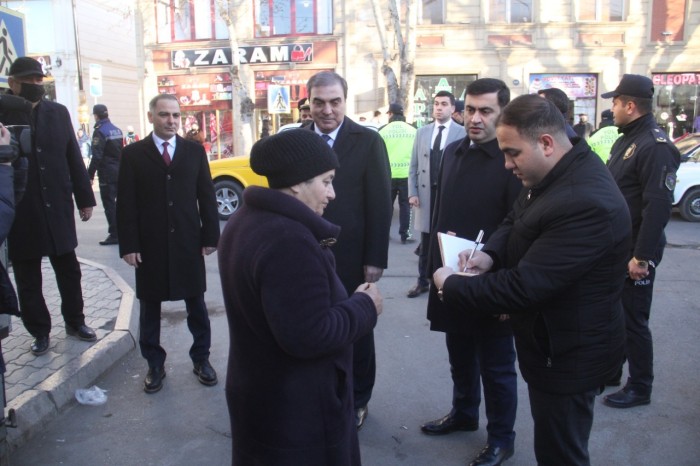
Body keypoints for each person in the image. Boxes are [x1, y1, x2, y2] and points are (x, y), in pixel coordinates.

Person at [433, 94, 632, 465]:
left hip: (569, 355)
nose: (506, 164)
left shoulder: (583, 200)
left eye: (512, 153)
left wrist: (451, 282)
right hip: (553, 344)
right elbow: (516, 218)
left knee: (561, 453)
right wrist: (488, 255)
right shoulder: (557, 171)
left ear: (546, 143)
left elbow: (524, 286)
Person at [218, 129, 383, 465]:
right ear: (296, 182)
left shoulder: (246, 220)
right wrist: (365, 307)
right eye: (326, 181)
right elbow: (309, 335)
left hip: (263, 398)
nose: (332, 193)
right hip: (296, 413)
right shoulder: (288, 240)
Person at [421, 79, 521, 466]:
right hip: (450, 273)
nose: (475, 119)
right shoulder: (452, 151)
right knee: (459, 352)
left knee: (496, 365)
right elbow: (441, 211)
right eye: (471, 110)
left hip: (493, 279)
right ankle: (464, 413)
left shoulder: (511, 159)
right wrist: (432, 268)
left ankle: (501, 438)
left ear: (502, 114)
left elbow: (518, 225)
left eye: (486, 111)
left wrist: (507, 291)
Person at [116, 94, 220, 394]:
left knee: (196, 304)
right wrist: (129, 245)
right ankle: (154, 364)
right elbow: (126, 203)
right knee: (150, 306)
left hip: (188, 242)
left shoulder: (193, 152)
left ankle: (201, 359)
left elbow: (206, 197)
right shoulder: (133, 154)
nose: (171, 121)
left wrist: (210, 236)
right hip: (150, 245)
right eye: (164, 115)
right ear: (151, 117)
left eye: (176, 115)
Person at [306, 71, 392, 428]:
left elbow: (380, 204)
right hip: (305, 254)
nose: (327, 110)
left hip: (351, 255)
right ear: (308, 102)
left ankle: (358, 398)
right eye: (319, 102)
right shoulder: (298, 141)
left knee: (356, 328)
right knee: (315, 327)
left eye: (334, 102)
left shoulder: (368, 141)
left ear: (345, 101)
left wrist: (374, 260)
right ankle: (320, 393)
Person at [5, 57, 97, 356]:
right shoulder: (4, 113)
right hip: (21, 210)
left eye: (38, 81)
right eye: (28, 81)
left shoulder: (57, 113)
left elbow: (72, 155)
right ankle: (40, 331)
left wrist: (85, 199)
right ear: (13, 83)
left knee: (69, 270)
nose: (35, 86)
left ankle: (75, 321)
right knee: (28, 278)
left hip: (56, 204)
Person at [601, 74, 680, 408]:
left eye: (616, 102)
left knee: (634, 319)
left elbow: (658, 205)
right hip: (618, 245)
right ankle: (612, 370)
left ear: (630, 106)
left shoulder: (655, 146)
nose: (613, 108)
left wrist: (642, 257)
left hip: (637, 250)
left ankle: (640, 386)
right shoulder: (625, 139)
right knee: (616, 313)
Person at [407, 90, 465, 298]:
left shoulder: (462, 133)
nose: (439, 108)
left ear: (452, 108)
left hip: (449, 196)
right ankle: (422, 281)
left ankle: (445, 282)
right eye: (436, 104)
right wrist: (412, 192)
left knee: (445, 240)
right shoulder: (422, 132)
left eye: (443, 104)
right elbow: (413, 166)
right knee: (426, 241)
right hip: (425, 196)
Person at [379, 103, 417, 244]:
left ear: (390, 114)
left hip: (387, 174)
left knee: (386, 206)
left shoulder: (382, 130)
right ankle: (405, 235)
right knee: (405, 206)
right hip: (407, 174)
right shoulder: (413, 130)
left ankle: (383, 233)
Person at [88, 104, 123, 246]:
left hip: (107, 173)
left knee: (109, 204)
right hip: (119, 170)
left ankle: (115, 233)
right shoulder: (117, 129)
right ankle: (123, 231)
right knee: (120, 204)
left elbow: (97, 156)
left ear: (96, 115)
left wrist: (89, 174)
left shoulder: (100, 131)